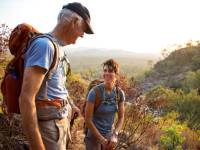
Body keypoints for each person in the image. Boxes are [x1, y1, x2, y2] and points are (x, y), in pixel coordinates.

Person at [19, 2, 94, 150]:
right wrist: (37, 146)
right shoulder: (44, 46)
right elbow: (26, 99)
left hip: (59, 125)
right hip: (49, 129)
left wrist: (71, 105)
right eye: (83, 28)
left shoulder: (58, 48)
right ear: (74, 22)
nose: (83, 34)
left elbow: (57, 85)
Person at [85, 59, 125, 150]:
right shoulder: (94, 92)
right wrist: (101, 139)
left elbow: (121, 117)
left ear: (116, 74)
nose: (106, 73)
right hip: (93, 136)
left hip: (109, 136)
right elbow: (88, 120)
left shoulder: (120, 94)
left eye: (110, 71)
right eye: (105, 70)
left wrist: (115, 135)